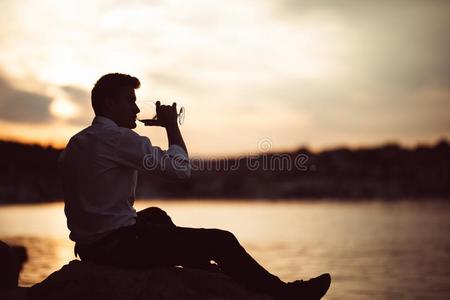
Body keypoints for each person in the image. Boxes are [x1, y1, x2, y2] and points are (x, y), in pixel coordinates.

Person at [58, 73, 331, 300]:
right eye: (130, 101)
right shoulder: (119, 138)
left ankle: (203, 270)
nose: (137, 109)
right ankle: (285, 294)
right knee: (221, 240)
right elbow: (180, 170)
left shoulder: (76, 143)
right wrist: (171, 126)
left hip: (89, 246)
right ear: (109, 103)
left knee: (155, 215)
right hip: (116, 247)